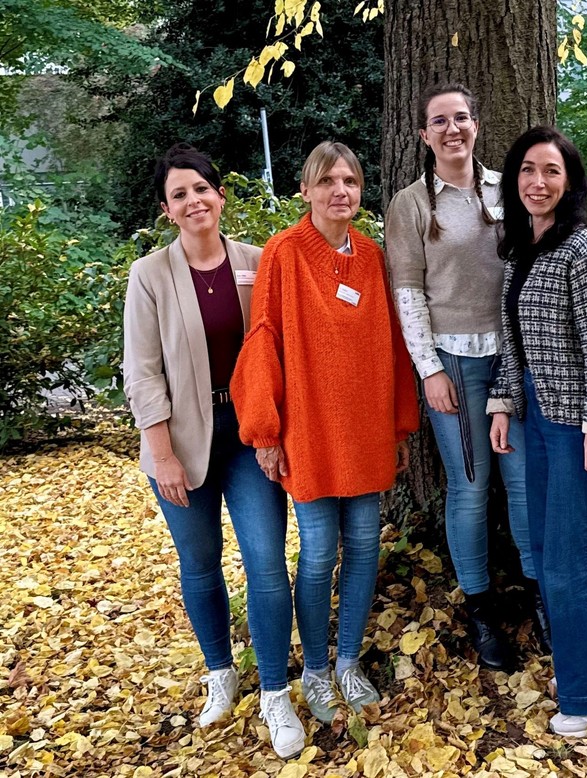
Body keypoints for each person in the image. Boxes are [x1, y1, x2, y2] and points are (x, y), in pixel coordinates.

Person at [231, 142, 420, 734]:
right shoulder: (284, 254)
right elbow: (263, 339)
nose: (341, 191)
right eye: (328, 181)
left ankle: (347, 661)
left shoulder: (372, 255)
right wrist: (266, 430)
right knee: (318, 553)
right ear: (307, 190)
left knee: (364, 545)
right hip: (309, 429)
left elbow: (392, 343)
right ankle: (313, 668)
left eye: (351, 180)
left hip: (366, 428)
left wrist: (399, 423)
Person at [123, 144, 297, 756]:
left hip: (250, 439)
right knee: (200, 565)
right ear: (167, 210)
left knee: (266, 563)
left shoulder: (258, 261)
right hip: (180, 442)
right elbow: (141, 372)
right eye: (179, 195)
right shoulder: (149, 275)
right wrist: (160, 450)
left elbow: (283, 349)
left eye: (202, 188)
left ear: (220, 195)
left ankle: (276, 692)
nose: (194, 201)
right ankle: (220, 674)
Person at [385, 83, 544, 669]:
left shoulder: (509, 188)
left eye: (461, 118)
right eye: (439, 122)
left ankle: (538, 594)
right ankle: (479, 607)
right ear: (424, 135)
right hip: (452, 360)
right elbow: (407, 292)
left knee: (525, 479)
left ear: (476, 125)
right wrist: (428, 368)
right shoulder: (411, 204)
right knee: (471, 487)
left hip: (513, 357)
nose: (452, 129)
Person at [488, 126, 587, 737]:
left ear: (569, 181)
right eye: (527, 170)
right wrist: (502, 400)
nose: (537, 182)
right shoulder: (524, 250)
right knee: (552, 554)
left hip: (582, 430)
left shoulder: (583, 251)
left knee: (574, 559)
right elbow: (517, 343)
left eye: (550, 171)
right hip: (541, 423)